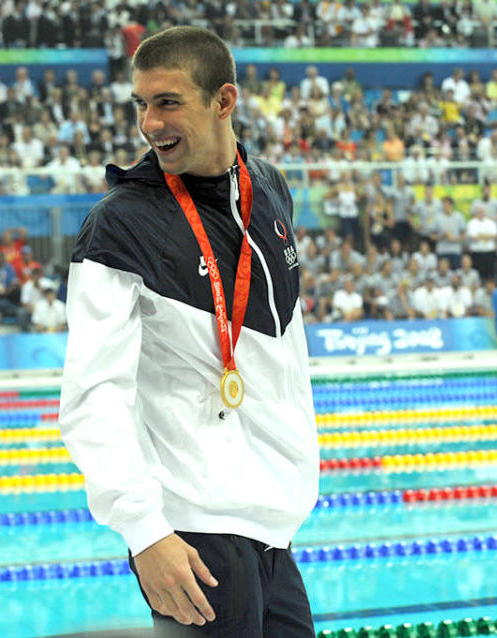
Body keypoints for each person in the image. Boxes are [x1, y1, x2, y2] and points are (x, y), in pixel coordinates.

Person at [59, 26, 318, 638]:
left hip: (274, 526)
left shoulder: (269, 188)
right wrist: (145, 532)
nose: (149, 123)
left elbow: (286, 348)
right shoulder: (119, 225)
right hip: (192, 529)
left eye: (167, 102)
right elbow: (93, 395)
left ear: (223, 101)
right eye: (141, 105)